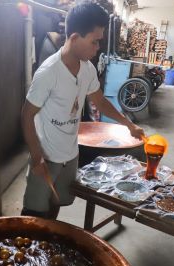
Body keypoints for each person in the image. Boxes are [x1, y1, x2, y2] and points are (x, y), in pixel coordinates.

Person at [20, 2, 145, 219]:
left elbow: (99, 101)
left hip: (70, 153)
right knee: (33, 214)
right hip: (47, 156)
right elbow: (26, 115)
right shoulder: (49, 72)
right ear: (75, 37)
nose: (98, 48)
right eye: (94, 42)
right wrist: (36, 155)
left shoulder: (87, 68)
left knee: (57, 202)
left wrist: (128, 124)